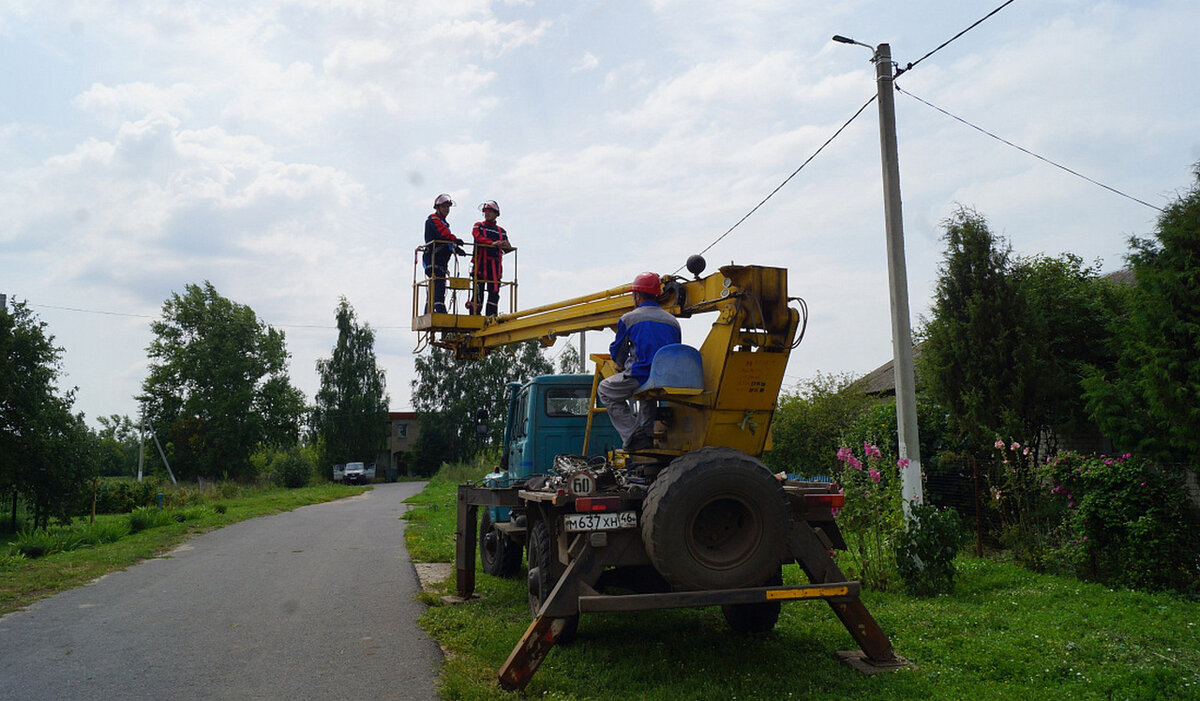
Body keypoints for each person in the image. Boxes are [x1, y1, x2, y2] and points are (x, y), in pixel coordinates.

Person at [597, 272, 681, 450]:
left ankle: (634, 434)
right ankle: (647, 436)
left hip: (641, 374)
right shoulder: (673, 321)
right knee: (647, 393)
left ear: (637, 295)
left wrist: (619, 364)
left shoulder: (629, 319)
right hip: (667, 377)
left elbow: (618, 352)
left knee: (605, 389)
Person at [466, 200, 513, 316]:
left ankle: (491, 317)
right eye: (486, 211)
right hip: (480, 266)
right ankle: (475, 317)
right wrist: (492, 243)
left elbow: (507, 248)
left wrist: (507, 245)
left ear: (496, 214)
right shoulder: (479, 226)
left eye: (490, 211)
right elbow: (478, 237)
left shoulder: (501, 231)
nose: (487, 213)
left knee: (494, 293)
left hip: (495, 268)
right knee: (478, 292)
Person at [423, 193, 466, 314]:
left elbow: (446, 240)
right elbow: (443, 234)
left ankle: (430, 311)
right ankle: (438, 310)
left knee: (436, 287)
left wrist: (455, 248)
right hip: (433, 260)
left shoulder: (444, 223)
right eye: (444, 207)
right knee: (437, 286)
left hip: (440, 261)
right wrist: (454, 239)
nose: (446, 209)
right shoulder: (433, 220)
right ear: (437, 208)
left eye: (448, 207)